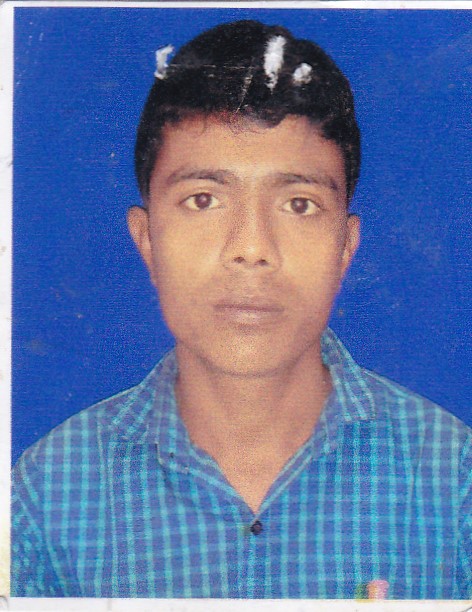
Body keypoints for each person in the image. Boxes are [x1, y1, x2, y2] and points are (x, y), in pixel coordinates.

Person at [11, 19, 471, 599]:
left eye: (299, 204)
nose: (251, 248)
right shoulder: (45, 496)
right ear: (147, 240)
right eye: (203, 199)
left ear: (346, 248)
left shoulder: (453, 479)